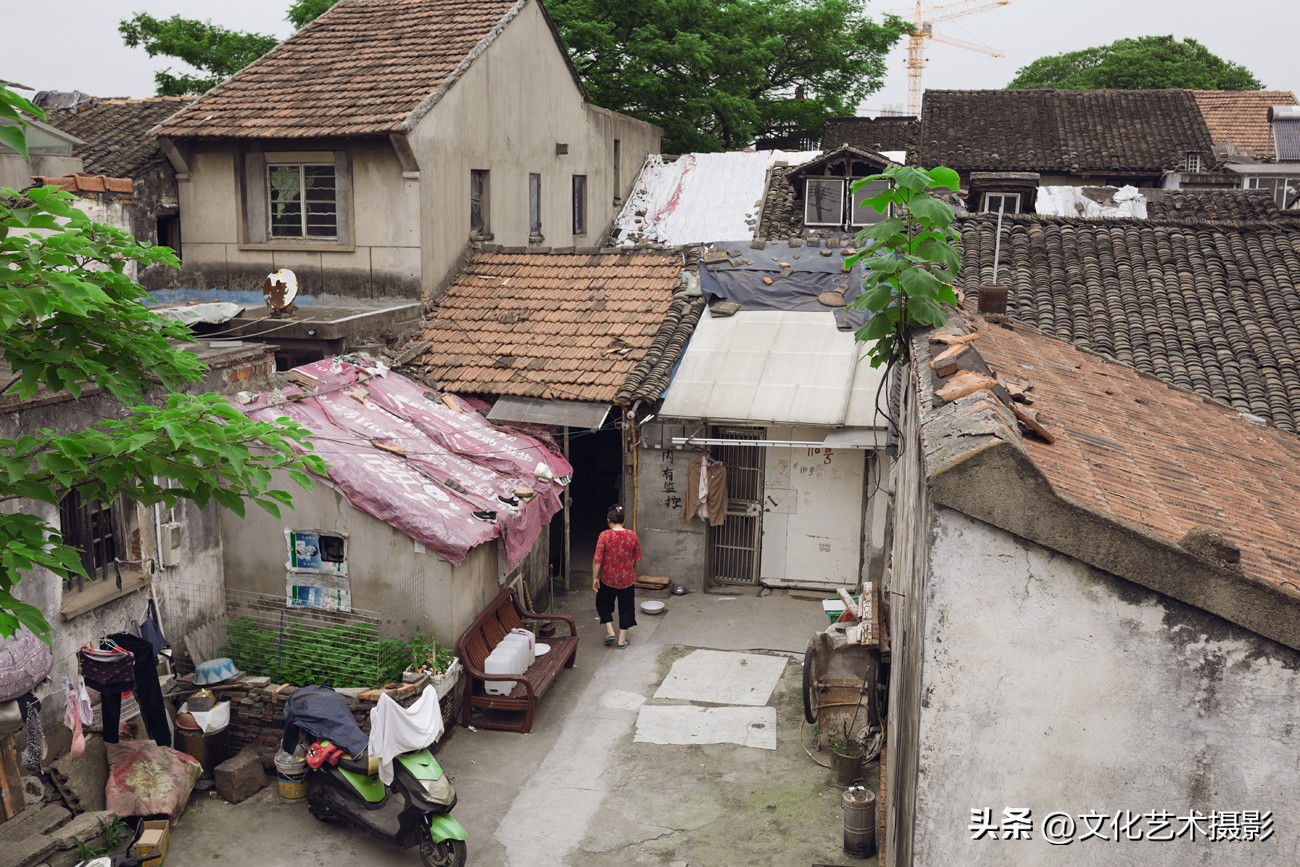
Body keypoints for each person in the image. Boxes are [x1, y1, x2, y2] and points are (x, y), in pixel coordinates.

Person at [592, 504, 641, 649]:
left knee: (602, 602)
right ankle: (621, 640)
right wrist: (633, 570)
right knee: (626, 607)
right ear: (623, 520)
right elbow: (638, 557)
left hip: (608, 578)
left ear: (609, 521)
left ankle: (610, 630)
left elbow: (597, 559)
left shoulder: (604, 535)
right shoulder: (632, 535)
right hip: (627, 579)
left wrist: (595, 577)